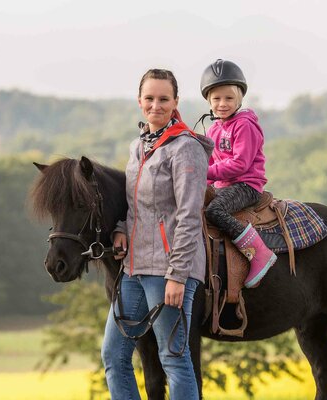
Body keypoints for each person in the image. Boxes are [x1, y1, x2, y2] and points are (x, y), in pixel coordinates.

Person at [105, 68, 213, 400]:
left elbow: (189, 216)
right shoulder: (137, 147)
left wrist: (179, 276)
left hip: (169, 271)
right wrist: (121, 230)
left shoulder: (186, 148)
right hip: (133, 269)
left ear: (176, 102)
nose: (156, 105)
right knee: (114, 356)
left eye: (163, 99)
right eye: (149, 98)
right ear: (140, 101)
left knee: (174, 360)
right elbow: (133, 202)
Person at [201, 59, 276, 288]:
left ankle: (259, 252)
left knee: (215, 210)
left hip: (246, 185)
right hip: (225, 186)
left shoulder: (244, 125)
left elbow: (240, 164)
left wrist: (205, 172)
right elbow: (211, 164)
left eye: (229, 98)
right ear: (209, 101)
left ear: (239, 99)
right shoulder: (214, 129)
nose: (222, 103)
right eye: (217, 99)